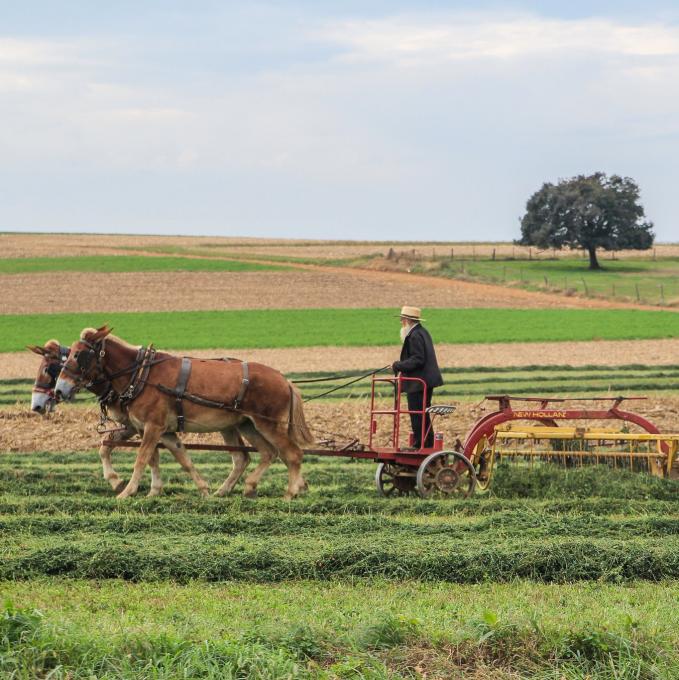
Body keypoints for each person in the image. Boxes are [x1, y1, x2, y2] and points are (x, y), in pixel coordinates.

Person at [391, 306, 443, 449]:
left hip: (419, 383)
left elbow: (418, 359)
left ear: (407, 320)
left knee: (417, 413)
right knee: (422, 413)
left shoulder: (414, 335)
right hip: (423, 382)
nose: (401, 322)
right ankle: (426, 443)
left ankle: (421, 444)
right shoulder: (422, 332)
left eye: (402, 319)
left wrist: (398, 365)